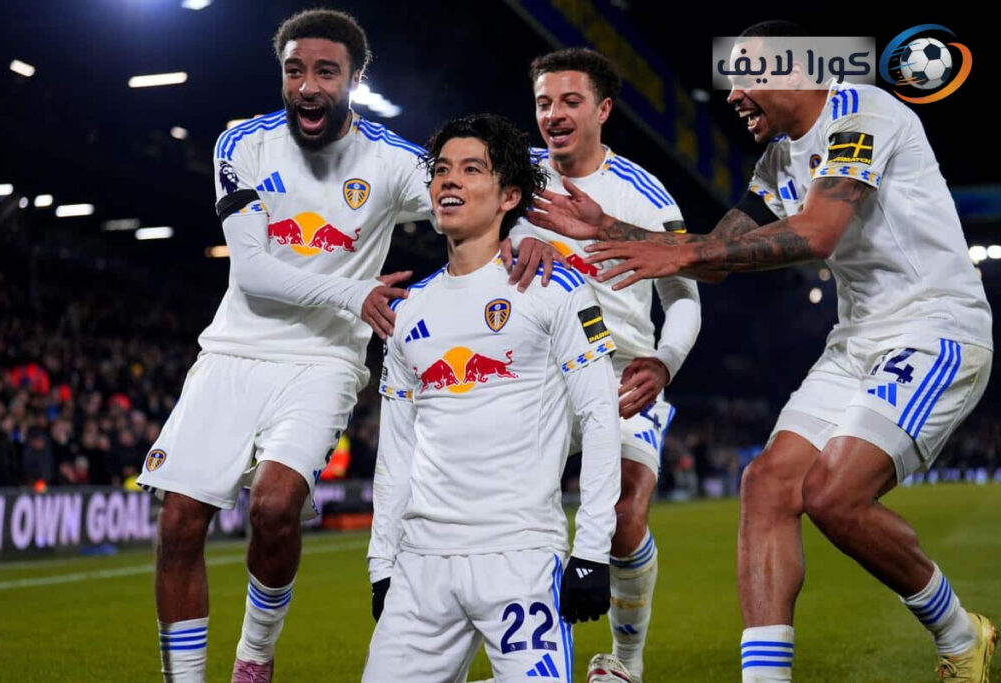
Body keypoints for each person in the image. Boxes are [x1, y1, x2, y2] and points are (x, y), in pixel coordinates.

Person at [528, 20, 995, 683]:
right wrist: (610, 226)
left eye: (744, 78)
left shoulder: (862, 111)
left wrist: (678, 252)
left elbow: (819, 232)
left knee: (833, 494)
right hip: (856, 340)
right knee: (767, 484)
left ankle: (959, 636)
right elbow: (716, 257)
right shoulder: (776, 162)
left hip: (934, 327)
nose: (732, 96)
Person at [136, 9, 556, 682]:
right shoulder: (242, 144)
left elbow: (485, 181)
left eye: (326, 72)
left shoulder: (390, 161)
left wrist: (530, 228)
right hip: (233, 351)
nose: (308, 85)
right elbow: (253, 271)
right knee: (180, 522)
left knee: (275, 505)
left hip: (325, 360)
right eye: (295, 70)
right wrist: (352, 293)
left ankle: (254, 657)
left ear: (355, 78)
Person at [363, 113, 621, 682]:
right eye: (441, 170)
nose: (449, 181)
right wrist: (382, 560)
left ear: (509, 195)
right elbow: (396, 449)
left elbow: (601, 416)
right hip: (421, 564)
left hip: (520, 556)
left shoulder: (554, 288)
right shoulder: (407, 311)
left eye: (471, 169)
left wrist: (592, 549)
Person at [505, 47, 701, 683]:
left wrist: (664, 361)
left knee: (622, 516)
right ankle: (526, 662)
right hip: (528, 371)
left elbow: (684, 298)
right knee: (507, 517)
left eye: (570, 101)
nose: (554, 115)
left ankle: (624, 663)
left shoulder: (642, 194)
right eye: (543, 103)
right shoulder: (511, 178)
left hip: (620, 372)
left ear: (604, 109)